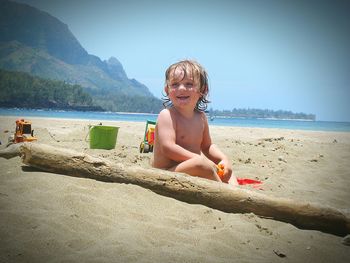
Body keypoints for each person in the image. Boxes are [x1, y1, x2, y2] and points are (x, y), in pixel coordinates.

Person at [152, 59, 237, 186]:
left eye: (189, 84)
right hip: (166, 173)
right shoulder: (167, 115)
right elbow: (168, 148)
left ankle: (236, 191)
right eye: (175, 84)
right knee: (202, 165)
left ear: (203, 90)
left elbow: (207, 146)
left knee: (227, 170)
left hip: (192, 169)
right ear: (167, 90)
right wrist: (199, 159)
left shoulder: (201, 117)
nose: (181, 88)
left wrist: (223, 159)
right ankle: (225, 192)